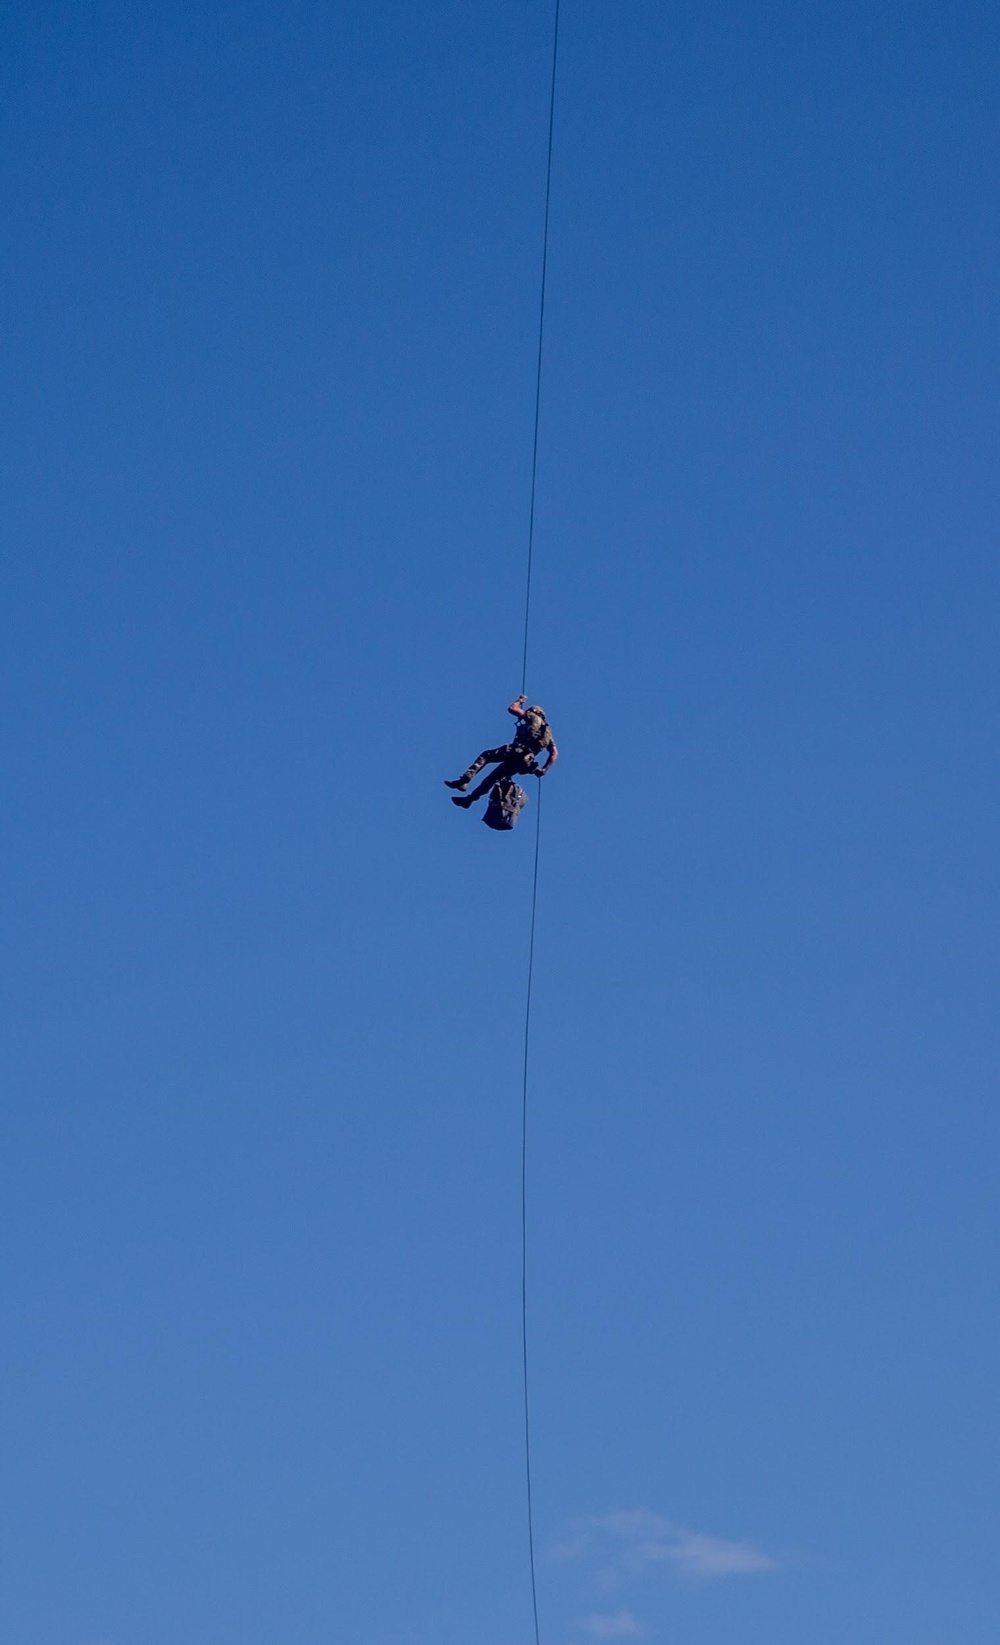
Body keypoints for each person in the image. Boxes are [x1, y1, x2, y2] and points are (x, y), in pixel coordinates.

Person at [446, 695, 559, 809]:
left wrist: (520, 701)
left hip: (516, 751)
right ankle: (469, 800)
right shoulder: (548, 733)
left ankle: (464, 781)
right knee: (492, 779)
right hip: (524, 762)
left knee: (486, 756)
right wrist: (544, 769)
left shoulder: (533, 716)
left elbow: (512, 709)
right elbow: (554, 753)